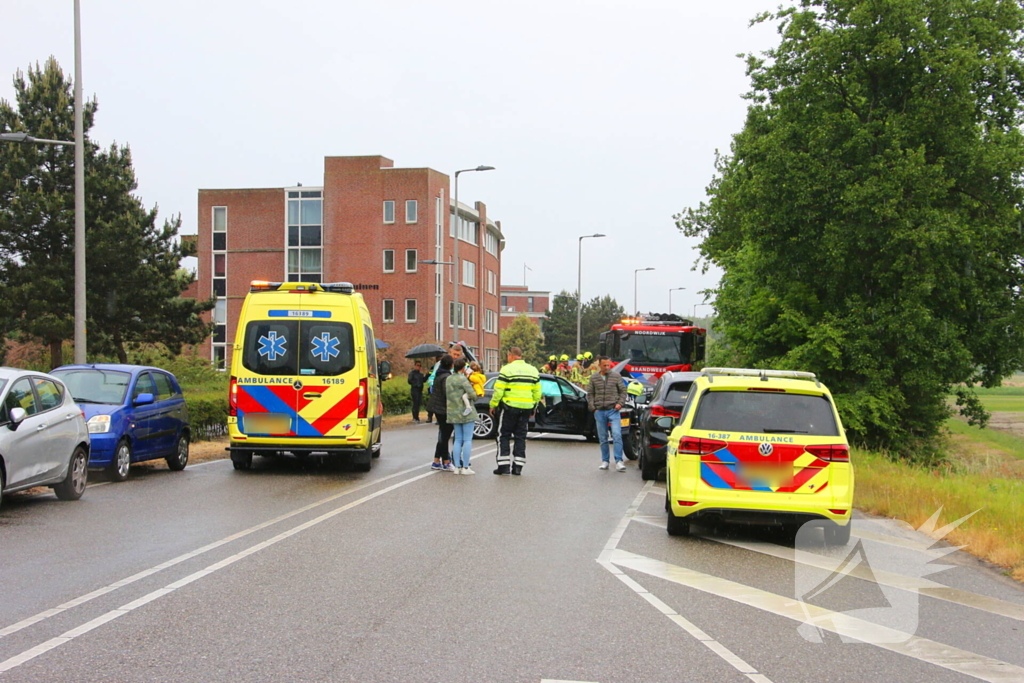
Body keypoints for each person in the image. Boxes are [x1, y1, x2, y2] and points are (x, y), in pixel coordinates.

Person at [489, 346, 541, 475]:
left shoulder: (507, 369)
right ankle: (518, 466)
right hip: (526, 409)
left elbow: (499, 390)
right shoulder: (533, 370)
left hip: (509, 407)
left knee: (504, 435)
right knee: (520, 436)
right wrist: (534, 406)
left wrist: (493, 404)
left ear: (511, 356)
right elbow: (537, 392)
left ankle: (504, 465)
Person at [587, 355, 627, 472]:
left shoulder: (616, 376)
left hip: (613, 410)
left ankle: (619, 461)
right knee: (603, 437)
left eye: (608, 365)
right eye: (604, 365)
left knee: (617, 434)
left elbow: (623, 391)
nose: (607, 367)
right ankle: (605, 461)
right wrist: (593, 408)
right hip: (599, 411)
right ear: (599, 365)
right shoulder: (594, 378)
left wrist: (620, 403)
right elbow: (590, 394)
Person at [446, 358, 477, 475]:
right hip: (466, 412)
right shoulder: (463, 379)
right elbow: (473, 395)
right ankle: (465, 467)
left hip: (453, 412)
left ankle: (456, 466)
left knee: (457, 439)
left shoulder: (448, 379)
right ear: (463, 368)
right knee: (467, 439)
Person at [427, 354, 456, 472]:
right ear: (450, 365)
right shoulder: (446, 377)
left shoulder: (439, 374)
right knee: (445, 436)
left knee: (443, 435)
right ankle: (446, 461)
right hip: (443, 409)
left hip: (437, 407)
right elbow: (447, 394)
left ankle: (436, 460)